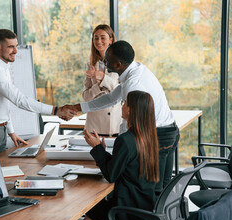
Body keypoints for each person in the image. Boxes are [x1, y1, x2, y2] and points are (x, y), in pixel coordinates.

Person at [68, 40, 179, 194]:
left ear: (119, 64)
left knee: (155, 191)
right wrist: (77, 108)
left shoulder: (133, 84)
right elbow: (111, 98)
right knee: (163, 192)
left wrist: (113, 151)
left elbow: (129, 125)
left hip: (159, 135)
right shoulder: (135, 69)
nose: (104, 62)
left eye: (108, 60)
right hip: (169, 131)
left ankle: (148, 217)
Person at [0, 29, 75, 164]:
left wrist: (11, 131)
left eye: (16, 46)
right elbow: (19, 100)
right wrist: (55, 110)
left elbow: (3, 103)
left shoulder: (2, 66)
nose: (16, 51)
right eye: (11, 47)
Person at [82, 91, 159, 220]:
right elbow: (123, 166)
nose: (121, 106)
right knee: (92, 215)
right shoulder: (149, 137)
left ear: (130, 109)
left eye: (124, 103)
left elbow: (111, 175)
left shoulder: (125, 140)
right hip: (145, 209)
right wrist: (102, 150)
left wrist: (96, 148)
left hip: (127, 213)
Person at [83, 24, 121, 136]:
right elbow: (86, 97)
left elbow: (120, 90)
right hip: (94, 125)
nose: (99, 41)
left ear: (111, 40)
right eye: (96, 38)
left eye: (102, 37)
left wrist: (102, 77)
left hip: (114, 125)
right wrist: (98, 86)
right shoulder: (90, 65)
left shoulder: (119, 62)